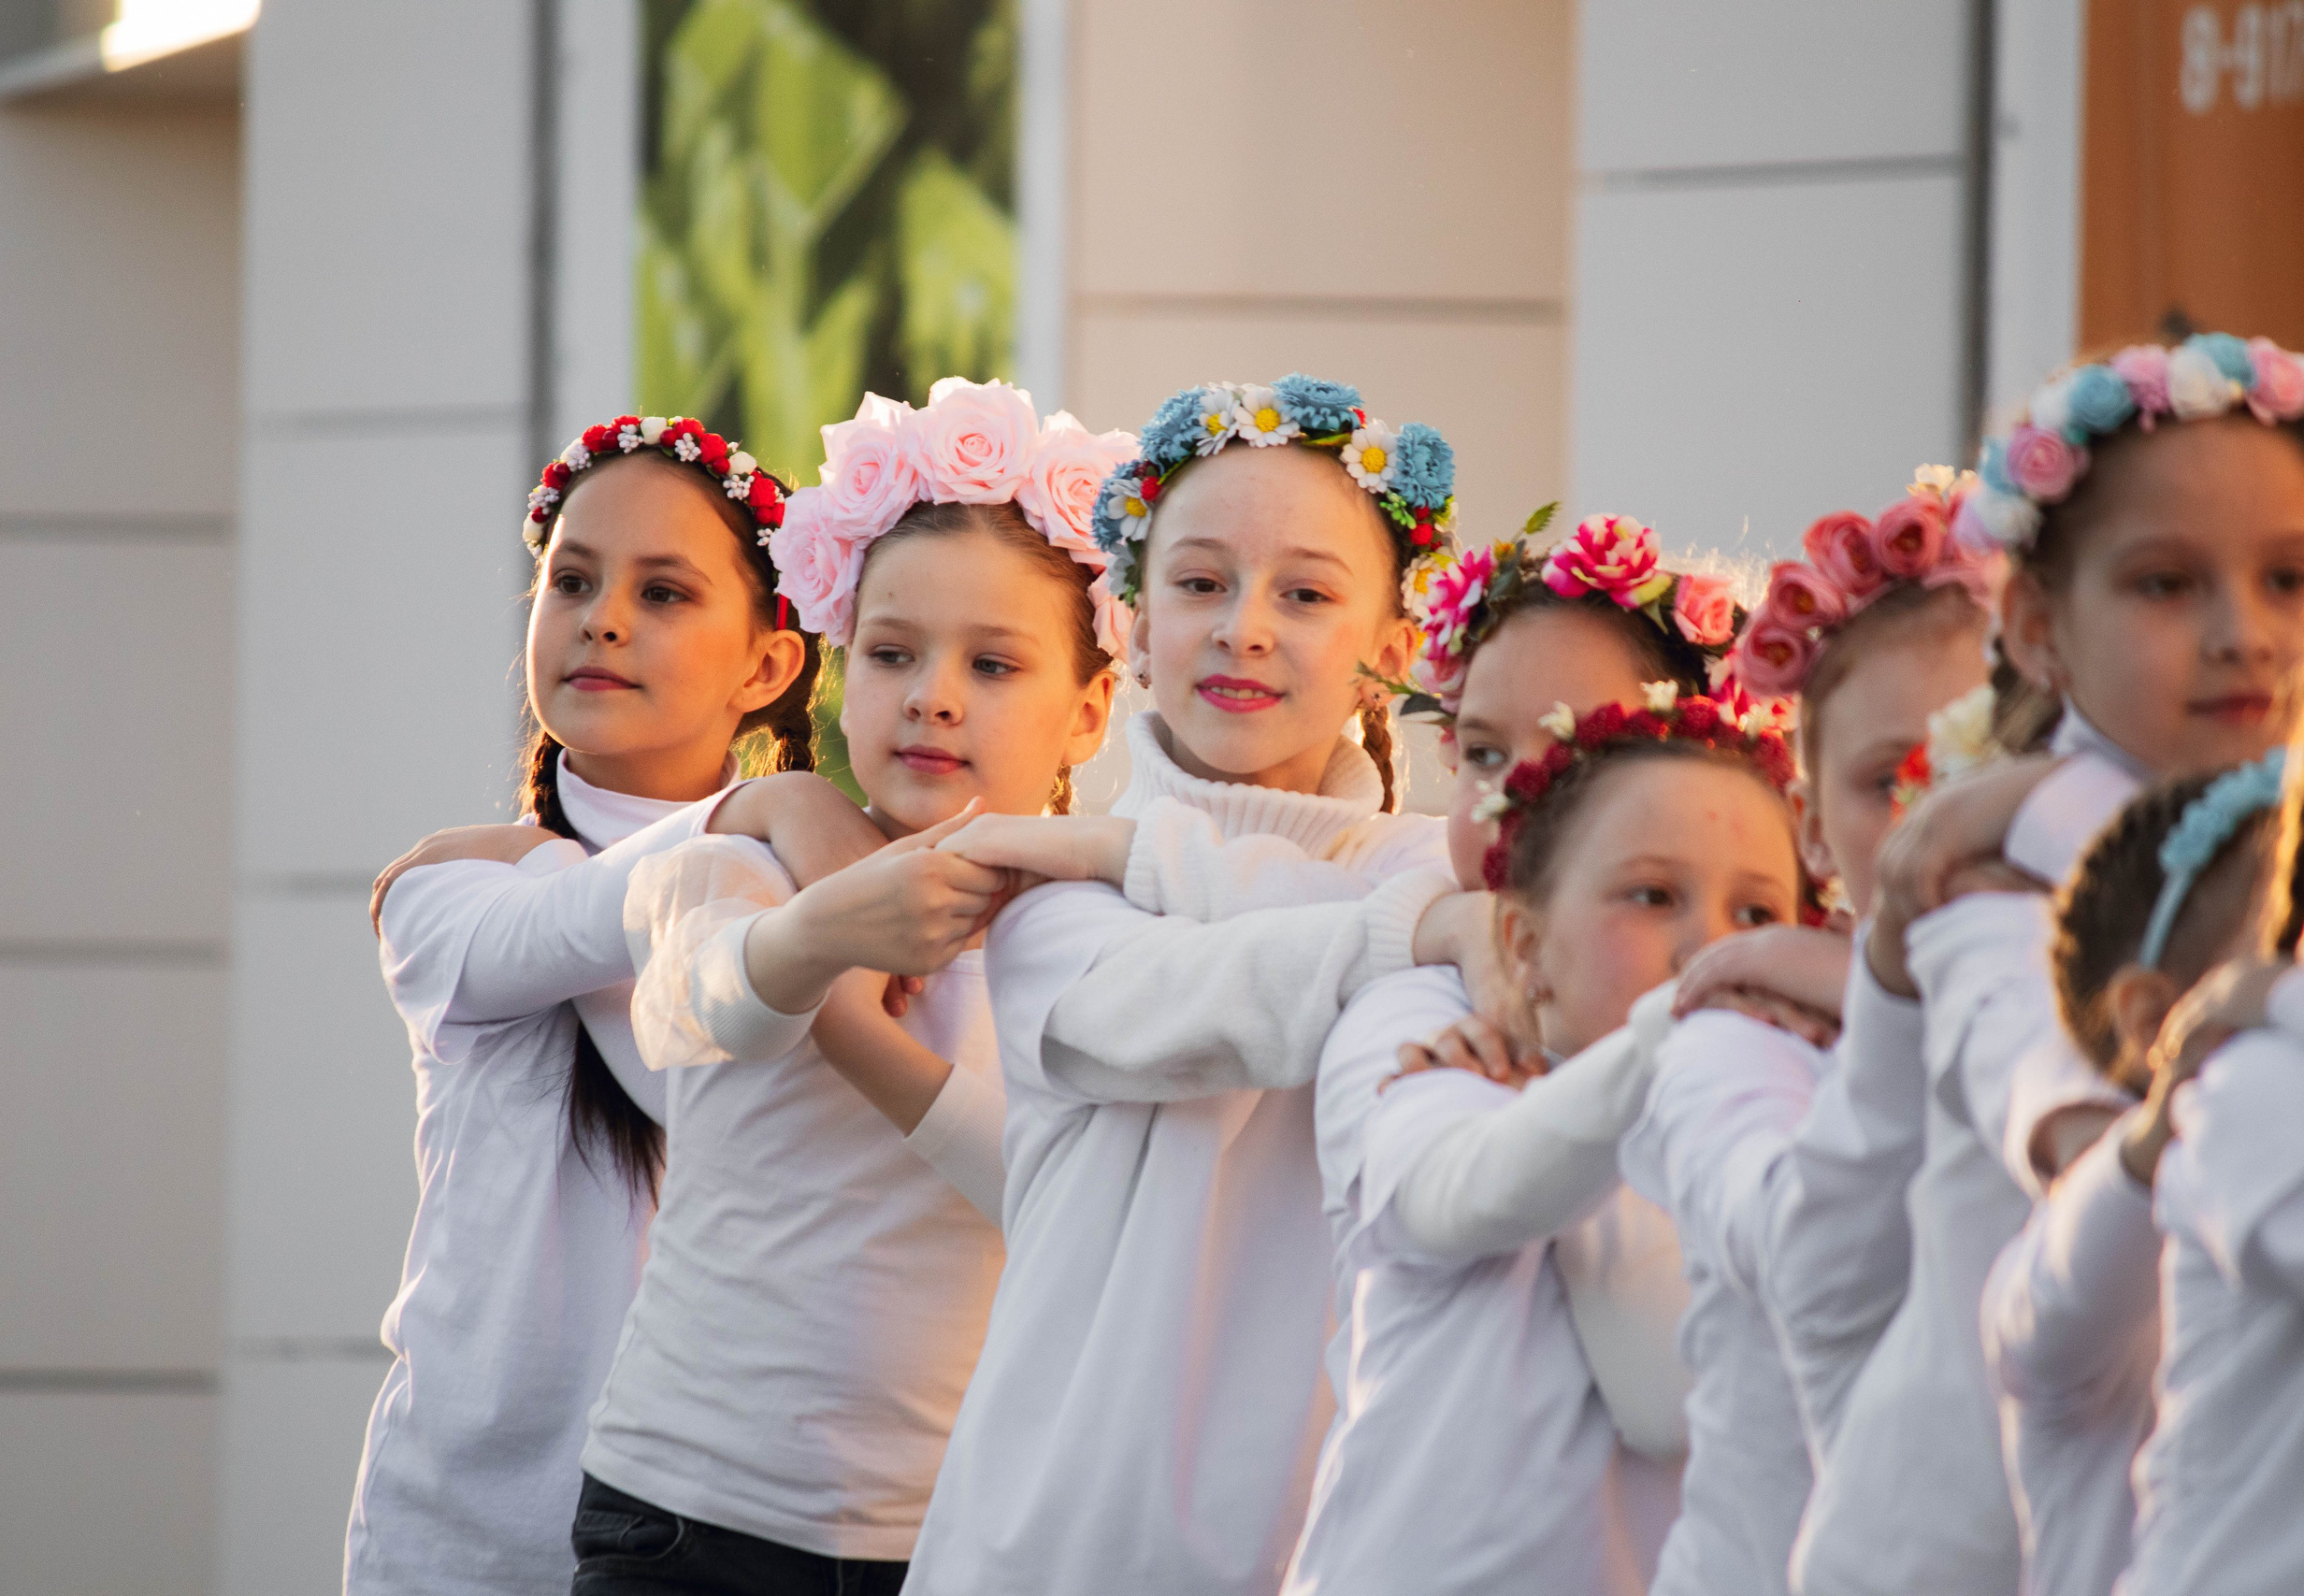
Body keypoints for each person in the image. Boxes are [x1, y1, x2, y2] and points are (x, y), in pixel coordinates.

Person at [898, 375, 1504, 1596]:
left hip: (1318, 1544)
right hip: (1045, 1546)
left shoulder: (1425, 879)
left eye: (1306, 594)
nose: (1245, 628)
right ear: (1129, 625)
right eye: (1200, 583)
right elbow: (1217, 996)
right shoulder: (1049, 892)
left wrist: (1135, 847)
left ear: (1392, 655)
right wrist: (1426, 933)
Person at [568, 381, 1129, 1596]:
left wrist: (858, 1030)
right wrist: (824, 930)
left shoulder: (1097, 937)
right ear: (834, 673)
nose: (933, 694)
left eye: (993, 663)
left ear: (1088, 711)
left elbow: (1053, 1192)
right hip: (687, 1518)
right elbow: (691, 1006)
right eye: (891, 653)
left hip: (954, 1537)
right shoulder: (745, 860)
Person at [1792, 333, 2304, 1595]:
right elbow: (2067, 1115)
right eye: (2166, 584)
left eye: (2289, 578)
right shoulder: (1987, 884)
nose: (2245, 634)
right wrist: (2051, 816)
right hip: (1965, 1548)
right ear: (2034, 626)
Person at [347, 417, 823, 1596]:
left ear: (767, 666)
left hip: (726, 1533)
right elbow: (568, 925)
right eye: (571, 581)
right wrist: (759, 812)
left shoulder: (800, 901)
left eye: (663, 592)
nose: (602, 618)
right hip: (460, 1534)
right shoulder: (455, 886)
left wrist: (778, 836)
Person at [1287, 692, 1816, 1595]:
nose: (1710, 946)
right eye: (1653, 896)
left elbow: (1669, 1399)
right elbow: (1461, 1195)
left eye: (1758, 913)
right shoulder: (1441, 1052)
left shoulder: (1788, 1131)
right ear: (1523, 943)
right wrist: (1666, 1037)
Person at [1618, 473, 1994, 1595]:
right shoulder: (1743, 1031)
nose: (1936, 815)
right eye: (1887, 779)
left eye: (1982, 761)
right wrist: (1887, 994)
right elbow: (1807, 1260)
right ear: (1811, 827)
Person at [1984, 752, 2294, 1596]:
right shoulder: (2075, 1243)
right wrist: (2157, 1131)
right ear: (2159, 1017)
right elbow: (2045, 1310)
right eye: (2286, 951)